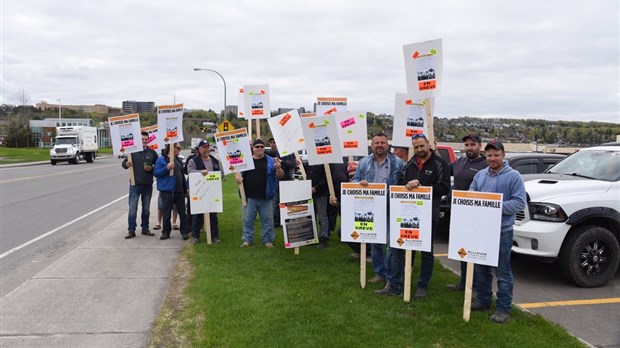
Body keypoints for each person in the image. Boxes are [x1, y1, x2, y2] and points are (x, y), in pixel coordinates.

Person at [376, 133, 450, 297]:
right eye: (416, 147)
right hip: (408, 214)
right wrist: (407, 185)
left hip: (429, 215)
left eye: (422, 146)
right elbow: (401, 184)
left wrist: (421, 186)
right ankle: (394, 285)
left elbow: (444, 188)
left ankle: (422, 286)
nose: (419, 149)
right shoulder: (410, 164)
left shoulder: (440, 164)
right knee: (399, 247)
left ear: (428, 144)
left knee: (426, 251)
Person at [470, 140, 526, 324]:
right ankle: (484, 300)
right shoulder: (480, 175)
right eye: (489, 155)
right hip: (482, 230)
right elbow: (471, 195)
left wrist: (494, 207)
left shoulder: (514, 176)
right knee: (481, 268)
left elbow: (519, 202)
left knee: (502, 271)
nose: (492, 158)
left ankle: (503, 309)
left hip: (502, 231)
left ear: (503, 155)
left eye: (496, 155)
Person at [352, 132, 404, 284]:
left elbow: (404, 182)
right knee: (375, 244)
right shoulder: (363, 162)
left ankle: (391, 275)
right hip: (371, 209)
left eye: (383, 142)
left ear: (387, 145)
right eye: (377, 143)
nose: (380, 145)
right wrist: (358, 183)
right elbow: (355, 179)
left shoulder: (398, 163)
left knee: (390, 243)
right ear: (372, 145)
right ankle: (380, 273)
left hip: (390, 208)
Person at [446, 133, 488, 291]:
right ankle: (464, 283)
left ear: (480, 146)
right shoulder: (459, 162)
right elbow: (443, 169)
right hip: (458, 213)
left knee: (476, 251)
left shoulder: (485, 164)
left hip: (477, 215)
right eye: (467, 145)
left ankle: (477, 286)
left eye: (473, 144)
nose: (469, 148)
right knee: (462, 249)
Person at [236, 139, 285, 248]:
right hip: (249, 197)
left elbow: (280, 175)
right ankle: (247, 240)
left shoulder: (271, 161)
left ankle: (268, 240)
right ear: (252, 148)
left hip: (266, 197)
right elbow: (240, 177)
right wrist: (239, 181)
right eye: (257, 146)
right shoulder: (246, 161)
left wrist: (278, 168)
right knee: (247, 220)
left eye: (262, 146)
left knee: (268, 220)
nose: (259, 148)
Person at [121, 131, 158, 239]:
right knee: (133, 209)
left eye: (146, 139)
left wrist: (152, 168)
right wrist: (126, 164)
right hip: (135, 185)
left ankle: (145, 229)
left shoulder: (152, 153)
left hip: (147, 185)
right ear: (138, 140)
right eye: (142, 139)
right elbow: (124, 163)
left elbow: (158, 166)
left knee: (146, 209)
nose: (144, 141)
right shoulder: (132, 152)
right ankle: (131, 230)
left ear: (148, 140)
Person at [187, 139, 222, 244]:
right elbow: (190, 171)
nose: (207, 149)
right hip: (198, 192)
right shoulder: (193, 161)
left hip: (212, 193)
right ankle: (195, 236)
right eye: (204, 147)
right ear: (199, 149)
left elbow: (221, 174)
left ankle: (215, 236)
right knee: (197, 215)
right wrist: (200, 172)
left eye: (208, 147)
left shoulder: (215, 161)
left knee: (213, 215)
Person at [154, 143, 190, 240]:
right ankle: (166, 232)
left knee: (182, 212)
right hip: (167, 191)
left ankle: (184, 232)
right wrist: (167, 168)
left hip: (179, 191)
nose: (180, 150)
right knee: (166, 213)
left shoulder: (177, 160)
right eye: (178, 148)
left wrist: (185, 187)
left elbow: (181, 175)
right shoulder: (161, 160)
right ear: (172, 148)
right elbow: (156, 173)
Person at [266, 138, 297, 227]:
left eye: (274, 142)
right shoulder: (273, 152)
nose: (272, 144)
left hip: (288, 179)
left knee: (287, 201)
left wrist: (282, 161)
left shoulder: (290, 153)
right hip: (278, 179)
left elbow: (293, 164)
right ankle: (276, 221)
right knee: (276, 201)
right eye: (271, 142)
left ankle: (285, 219)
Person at [306, 163, 330, 248]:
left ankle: (323, 238)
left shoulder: (323, 163)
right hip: (310, 193)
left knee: (322, 215)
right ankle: (313, 237)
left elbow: (326, 177)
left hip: (321, 193)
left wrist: (316, 188)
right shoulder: (308, 163)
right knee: (312, 216)